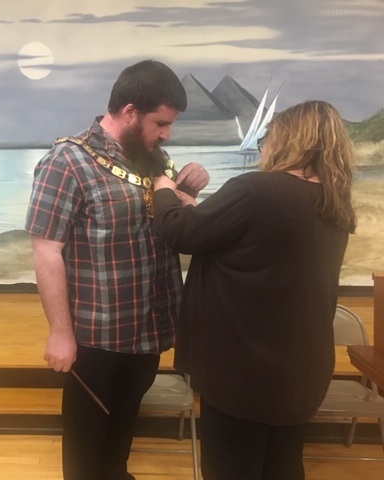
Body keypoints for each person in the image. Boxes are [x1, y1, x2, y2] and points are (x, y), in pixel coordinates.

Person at [153, 100, 357, 480]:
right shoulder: (333, 200)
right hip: (302, 372)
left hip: (245, 374)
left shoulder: (256, 189)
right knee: (282, 465)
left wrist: (163, 190)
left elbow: (179, 233)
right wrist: (195, 206)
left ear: (288, 140)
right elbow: (256, 246)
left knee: (231, 468)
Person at [25, 59, 209, 480]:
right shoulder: (66, 161)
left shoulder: (152, 156)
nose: (167, 134)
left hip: (147, 333)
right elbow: (46, 251)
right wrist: (60, 331)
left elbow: (163, 219)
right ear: (129, 112)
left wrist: (185, 192)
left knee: (119, 443)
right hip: (94, 341)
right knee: (86, 454)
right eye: (160, 123)